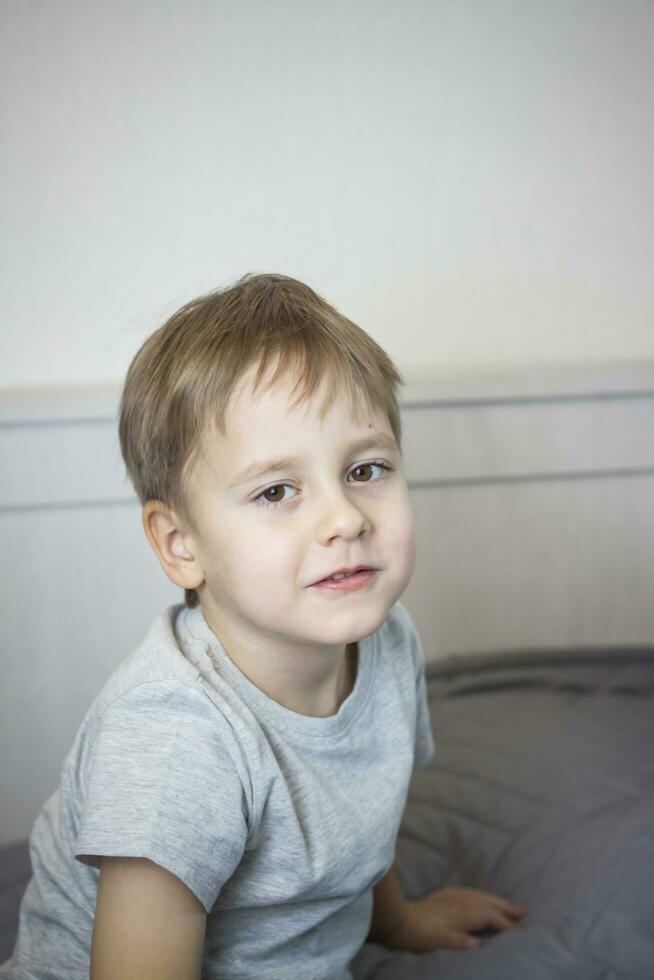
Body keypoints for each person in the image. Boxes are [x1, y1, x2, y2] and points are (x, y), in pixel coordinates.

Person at [2, 274, 524, 980]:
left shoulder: (388, 641)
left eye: (366, 469)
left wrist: (397, 923)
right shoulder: (175, 741)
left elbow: (358, 811)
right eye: (277, 490)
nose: (345, 518)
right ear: (181, 543)